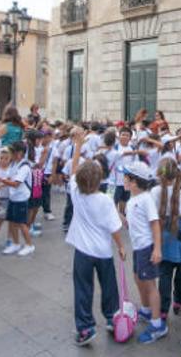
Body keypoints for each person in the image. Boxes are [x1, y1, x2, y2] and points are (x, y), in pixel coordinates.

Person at [66, 136, 125, 346]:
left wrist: (78, 146)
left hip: (82, 251)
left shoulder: (75, 192)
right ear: (100, 179)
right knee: (109, 286)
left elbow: (73, 170)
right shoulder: (105, 200)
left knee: (82, 288)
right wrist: (121, 246)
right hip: (103, 251)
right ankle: (112, 317)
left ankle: (85, 328)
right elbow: (115, 227)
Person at [121, 160, 169, 344]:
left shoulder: (145, 199)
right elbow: (134, 223)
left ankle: (158, 324)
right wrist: (122, 218)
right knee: (137, 277)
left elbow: (155, 224)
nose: (123, 180)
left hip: (147, 247)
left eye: (125, 177)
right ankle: (147, 310)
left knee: (150, 285)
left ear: (133, 181)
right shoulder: (133, 199)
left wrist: (157, 248)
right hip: (138, 247)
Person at [151, 158, 181, 319]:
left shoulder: (155, 192)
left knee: (165, 275)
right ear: (176, 174)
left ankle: (163, 309)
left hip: (163, 237)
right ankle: (180, 302)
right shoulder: (180, 193)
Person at [0, 141, 36, 257]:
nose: (10, 155)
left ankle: (29, 245)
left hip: (21, 198)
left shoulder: (24, 166)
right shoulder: (15, 164)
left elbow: (16, 183)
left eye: (12, 152)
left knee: (21, 223)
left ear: (19, 153)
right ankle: (15, 243)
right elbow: (10, 177)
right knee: (12, 221)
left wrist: (1, 180)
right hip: (13, 197)